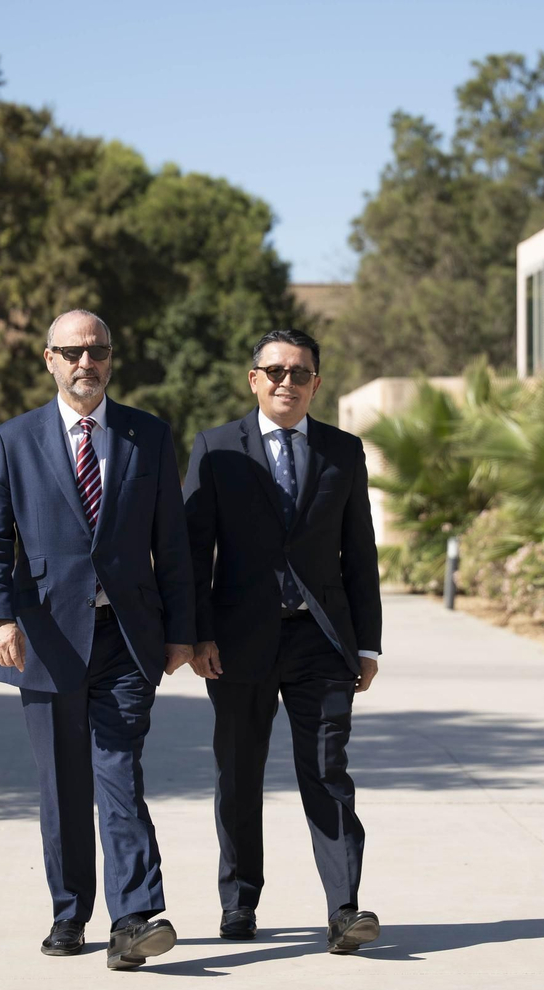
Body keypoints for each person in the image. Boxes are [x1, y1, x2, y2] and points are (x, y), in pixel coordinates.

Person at [0, 309, 194, 969]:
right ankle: (70, 913)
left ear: (110, 357)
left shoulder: (148, 436)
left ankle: (134, 919)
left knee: (119, 770)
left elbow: (172, 543)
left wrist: (182, 631)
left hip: (126, 635)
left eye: (96, 350)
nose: (85, 362)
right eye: (72, 352)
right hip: (45, 638)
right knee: (63, 783)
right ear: (50, 360)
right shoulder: (12, 441)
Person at [183, 328, 384, 954]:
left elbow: (360, 552)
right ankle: (239, 902)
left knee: (327, 772)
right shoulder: (216, 449)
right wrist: (196, 635)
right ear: (254, 379)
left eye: (299, 373)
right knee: (239, 775)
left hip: (320, 640)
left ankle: (344, 909)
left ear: (316, 383)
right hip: (237, 644)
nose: (286, 382)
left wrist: (368, 644)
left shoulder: (343, 451)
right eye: (275, 371)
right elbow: (194, 553)